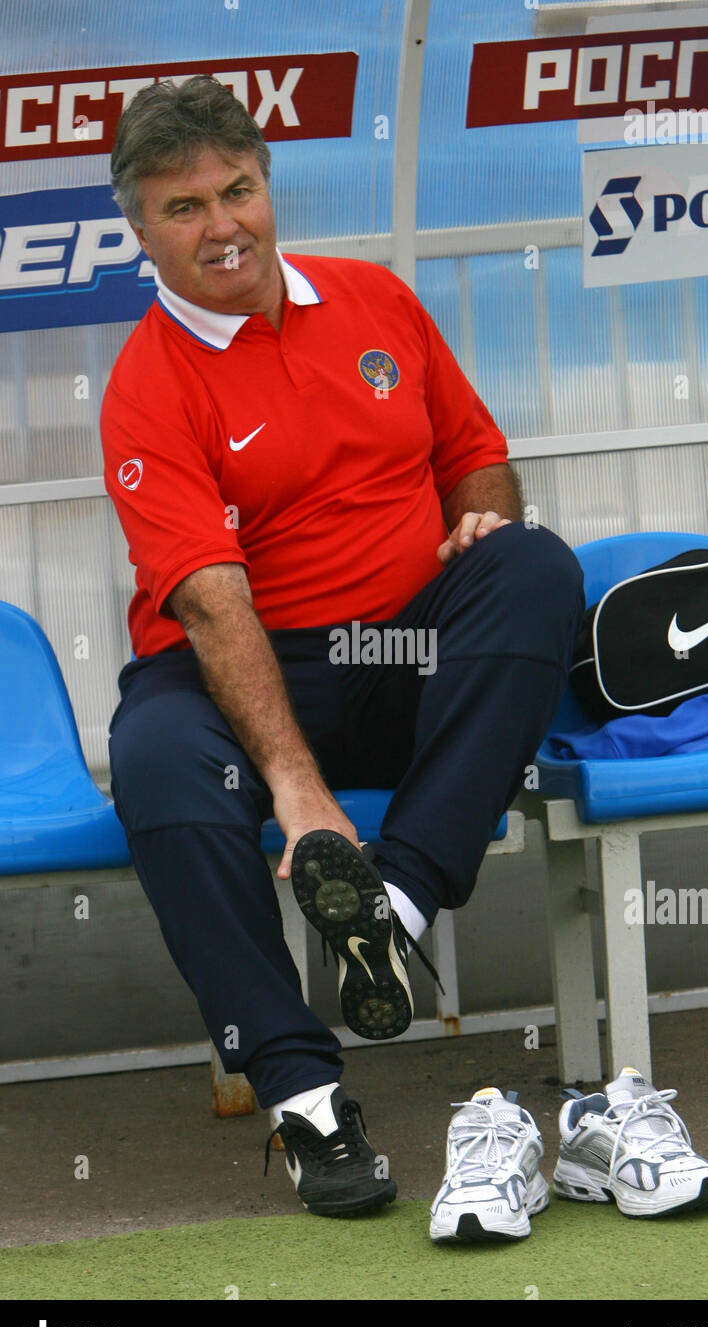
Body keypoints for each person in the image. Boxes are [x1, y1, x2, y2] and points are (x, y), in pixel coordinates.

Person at [101, 74, 585, 1224]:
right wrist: (300, 792)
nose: (222, 227)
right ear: (141, 230)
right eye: (184, 209)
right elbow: (214, 604)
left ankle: (398, 905)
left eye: (237, 191)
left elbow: (475, 452)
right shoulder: (146, 384)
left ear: (269, 186)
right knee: (160, 763)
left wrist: (478, 512)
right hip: (238, 667)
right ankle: (306, 1097)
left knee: (532, 561)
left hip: (397, 648)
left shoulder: (376, 301)